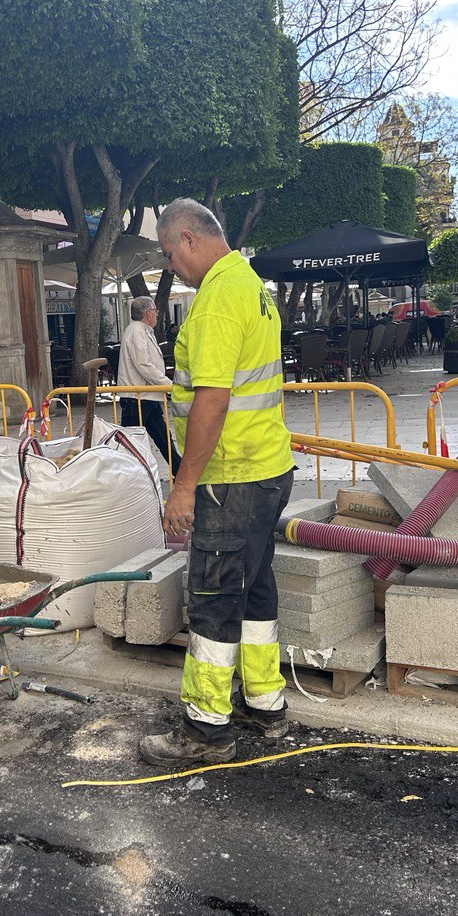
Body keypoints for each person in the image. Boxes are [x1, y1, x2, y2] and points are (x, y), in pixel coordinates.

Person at [138, 198, 295, 768]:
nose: (170, 267)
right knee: (254, 591)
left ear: (188, 237)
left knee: (212, 597)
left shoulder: (216, 301)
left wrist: (183, 486)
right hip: (266, 468)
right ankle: (265, 704)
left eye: (168, 254)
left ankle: (206, 731)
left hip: (231, 476)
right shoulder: (251, 284)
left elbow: (212, 398)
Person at [117, 296, 178, 477]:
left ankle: (180, 471)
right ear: (148, 313)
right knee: (129, 443)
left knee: (163, 438)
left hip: (147, 396)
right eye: (155, 311)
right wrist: (167, 384)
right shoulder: (136, 331)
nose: (157, 314)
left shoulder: (143, 330)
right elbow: (143, 365)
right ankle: (122, 478)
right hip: (137, 397)